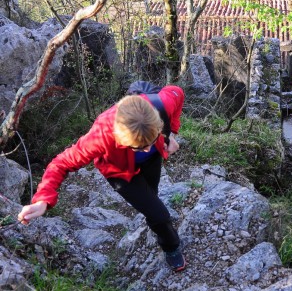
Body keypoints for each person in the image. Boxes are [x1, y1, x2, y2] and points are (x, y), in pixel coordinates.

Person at [18, 86, 187, 272]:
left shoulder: (161, 105)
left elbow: (177, 92)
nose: (146, 149)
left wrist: (171, 133)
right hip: (119, 173)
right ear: (120, 140)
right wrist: (43, 198)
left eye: (151, 141)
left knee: (151, 198)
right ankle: (171, 246)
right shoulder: (102, 135)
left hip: (151, 163)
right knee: (160, 215)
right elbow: (61, 163)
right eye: (138, 147)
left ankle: (153, 214)